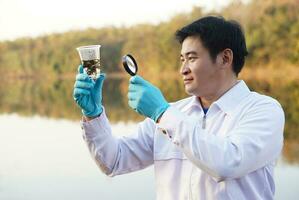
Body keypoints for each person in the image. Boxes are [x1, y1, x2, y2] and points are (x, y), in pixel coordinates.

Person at [73, 16, 285, 200]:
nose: (183, 69)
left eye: (191, 58)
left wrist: (163, 114)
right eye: (182, 59)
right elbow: (114, 160)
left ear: (225, 58)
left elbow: (228, 162)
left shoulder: (263, 110)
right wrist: (93, 115)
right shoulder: (173, 114)